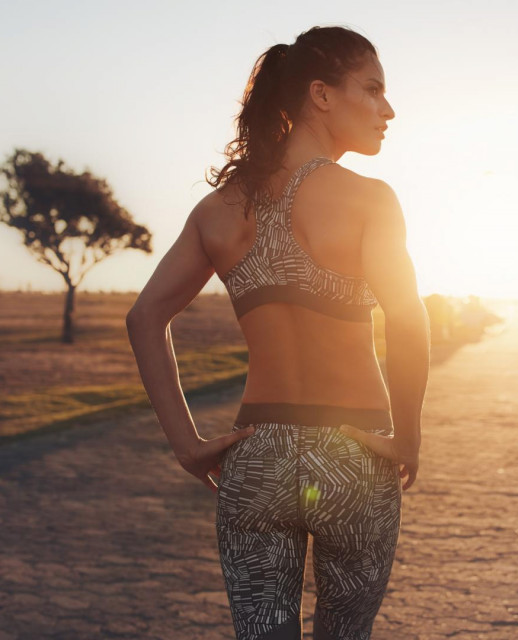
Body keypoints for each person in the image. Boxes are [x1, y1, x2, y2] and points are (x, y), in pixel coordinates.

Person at [126, 24, 430, 640]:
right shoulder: (370, 200)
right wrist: (408, 436)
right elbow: (406, 318)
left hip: (257, 456)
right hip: (355, 454)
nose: (387, 109)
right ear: (321, 95)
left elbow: (144, 317)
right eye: (372, 90)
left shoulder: (219, 209)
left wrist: (187, 445)